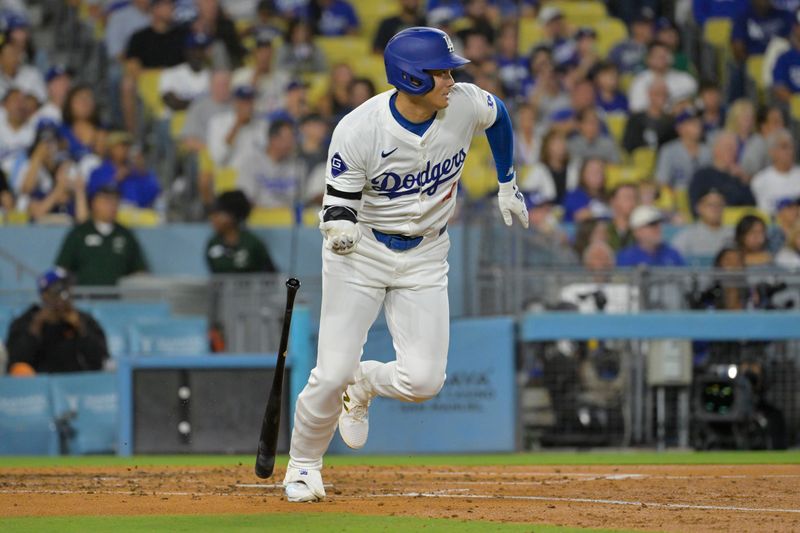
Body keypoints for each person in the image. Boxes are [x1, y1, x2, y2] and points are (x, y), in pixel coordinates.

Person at [282, 26, 528, 502]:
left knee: (424, 382)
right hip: (363, 253)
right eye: (441, 73)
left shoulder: (464, 103)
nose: (451, 81)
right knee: (331, 372)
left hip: (428, 253)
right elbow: (337, 205)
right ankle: (304, 465)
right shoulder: (359, 129)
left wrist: (506, 179)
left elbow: (499, 117)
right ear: (412, 78)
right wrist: (338, 227)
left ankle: (367, 382)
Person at [6, 267, 109, 375]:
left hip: (79, 386)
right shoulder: (26, 321)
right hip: (38, 387)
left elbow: (101, 360)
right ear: (44, 295)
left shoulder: (83, 320)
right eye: (57, 289)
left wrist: (81, 329)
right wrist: (35, 328)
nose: (64, 296)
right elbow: (15, 362)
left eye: (67, 288)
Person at [55, 182, 149, 285]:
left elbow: (140, 271)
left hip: (117, 298)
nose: (112, 206)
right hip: (84, 297)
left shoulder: (125, 235)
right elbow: (62, 269)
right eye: (106, 200)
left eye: (115, 201)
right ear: (93, 202)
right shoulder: (79, 233)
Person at [205, 190, 276, 273]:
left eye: (218, 214)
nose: (213, 219)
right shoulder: (213, 243)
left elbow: (271, 275)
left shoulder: (254, 243)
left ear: (232, 215)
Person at [87, 131, 161, 209]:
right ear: (110, 148)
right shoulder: (99, 172)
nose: (124, 149)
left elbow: (154, 192)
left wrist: (143, 172)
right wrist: (115, 179)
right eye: (120, 146)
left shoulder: (135, 172)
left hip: (134, 215)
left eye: (127, 146)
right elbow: (93, 196)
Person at [688, 132, 756, 213]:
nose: (733, 152)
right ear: (716, 150)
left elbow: (752, 207)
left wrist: (744, 181)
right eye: (729, 148)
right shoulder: (702, 176)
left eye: (735, 149)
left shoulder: (739, 177)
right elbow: (695, 207)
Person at [207, 85, 267, 168]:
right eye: (243, 101)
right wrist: (237, 125)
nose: (247, 106)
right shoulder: (218, 122)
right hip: (230, 175)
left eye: (250, 101)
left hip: (256, 176)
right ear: (235, 102)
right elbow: (218, 158)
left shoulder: (263, 124)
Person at [627, 41, 697, 113]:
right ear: (648, 60)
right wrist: (671, 112)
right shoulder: (640, 81)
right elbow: (637, 110)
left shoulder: (686, 79)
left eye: (665, 55)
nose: (662, 58)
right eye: (657, 55)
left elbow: (699, 104)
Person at [654, 108, 711, 191]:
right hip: (676, 198)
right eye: (692, 123)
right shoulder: (668, 150)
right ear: (680, 128)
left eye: (699, 122)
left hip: (703, 199)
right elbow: (662, 181)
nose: (698, 126)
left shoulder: (708, 150)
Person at [671, 189, 733, 259]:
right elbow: (674, 261)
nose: (715, 209)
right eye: (710, 205)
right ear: (699, 208)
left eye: (719, 204)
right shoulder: (687, 236)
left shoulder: (733, 234)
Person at [750, 129, 800, 217]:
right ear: (771, 152)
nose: (789, 151)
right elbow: (764, 213)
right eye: (784, 147)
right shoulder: (760, 181)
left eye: (791, 147)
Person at [617, 205, 686, 267]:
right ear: (637, 231)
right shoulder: (626, 257)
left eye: (658, 224)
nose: (657, 228)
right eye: (651, 224)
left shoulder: (672, 254)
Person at [741, 105, 787, 178]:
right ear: (764, 127)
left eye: (781, 122)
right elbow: (749, 174)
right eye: (776, 122)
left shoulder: (781, 144)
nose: (781, 126)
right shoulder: (757, 144)